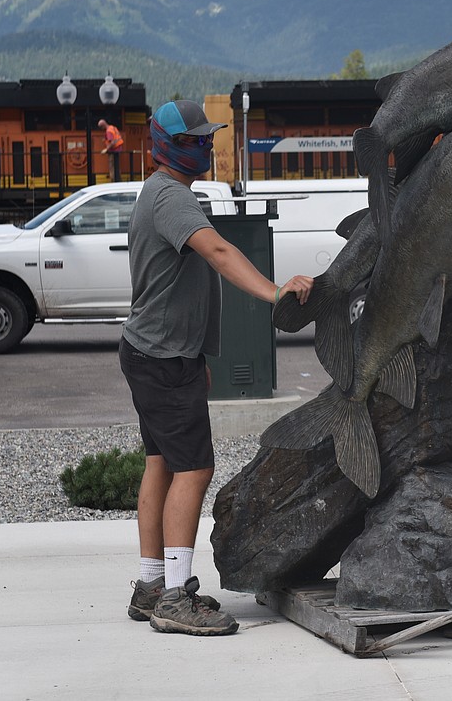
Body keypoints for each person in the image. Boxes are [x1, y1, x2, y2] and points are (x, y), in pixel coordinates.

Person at [119, 99, 314, 636]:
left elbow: (186, 287)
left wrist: (202, 353)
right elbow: (221, 256)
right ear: (171, 146)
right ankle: (175, 597)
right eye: (198, 139)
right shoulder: (171, 197)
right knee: (194, 468)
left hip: (155, 352)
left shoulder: (166, 192)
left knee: (160, 463)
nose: (208, 146)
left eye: (209, 137)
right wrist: (277, 294)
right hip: (161, 358)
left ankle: (149, 585)